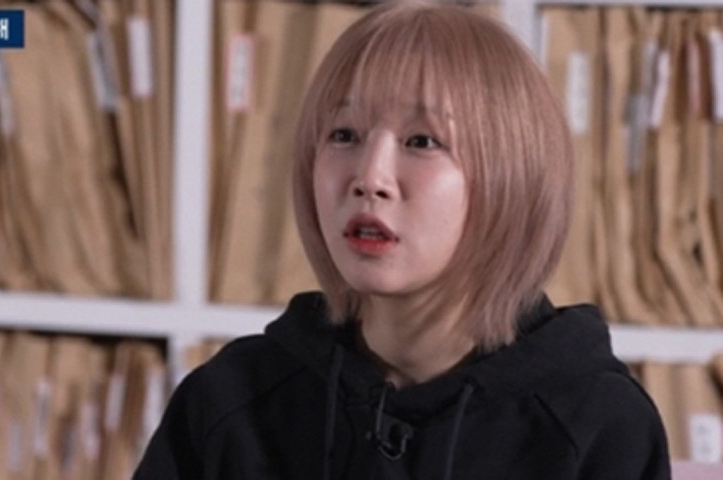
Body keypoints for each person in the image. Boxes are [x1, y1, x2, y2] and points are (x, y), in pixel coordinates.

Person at [134, 2, 671, 479]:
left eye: (422, 141)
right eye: (344, 134)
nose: (369, 177)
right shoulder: (230, 401)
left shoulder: (599, 425)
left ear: (511, 177)